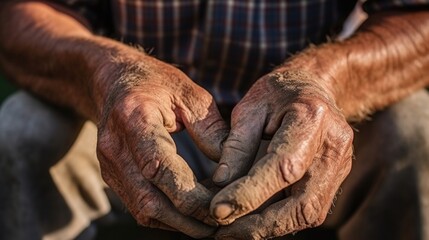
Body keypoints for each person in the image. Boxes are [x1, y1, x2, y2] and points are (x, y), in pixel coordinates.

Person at [1, 0, 429, 239]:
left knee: (414, 133)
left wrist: (322, 81)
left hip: (301, 119)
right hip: (132, 115)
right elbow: (23, 13)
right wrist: (112, 74)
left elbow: (416, 16)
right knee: (23, 132)